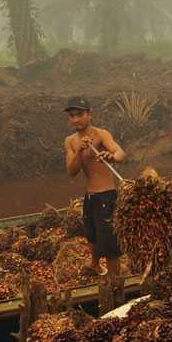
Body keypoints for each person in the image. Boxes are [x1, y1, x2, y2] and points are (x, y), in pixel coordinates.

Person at [63, 95, 127, 280]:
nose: (76, 119)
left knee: (109, 245)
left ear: (89, 115)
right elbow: (71, 172)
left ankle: (115, 280)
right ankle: (94, 264)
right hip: (90, 196)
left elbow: (121, 153)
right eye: (72, 115)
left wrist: (111, 157)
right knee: (91, 234)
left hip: (107, 196)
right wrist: (79, 151)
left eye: (80, 114)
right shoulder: (70, 141)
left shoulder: (101, 135)